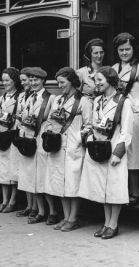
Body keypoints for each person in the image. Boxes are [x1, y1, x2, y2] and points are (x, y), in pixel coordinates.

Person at [78, 66, 133, 239]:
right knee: (102, 187)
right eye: (96, 80)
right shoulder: (98, 100)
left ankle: (113, 224)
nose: (97, 83)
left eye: (100, 80)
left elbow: (127, 131)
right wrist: (89, 141)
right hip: (99, 149)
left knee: (114, 188)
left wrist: (118, 153)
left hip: (114, 149)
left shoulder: (124, 102)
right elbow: (93, 125)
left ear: (110, 80)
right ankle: (106, 222)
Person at [43, 67, 93, 231]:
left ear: (72, 81)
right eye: (58, 82)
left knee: (73, 183)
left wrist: (78, 139)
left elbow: (89, 125)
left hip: (73, 147)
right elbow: (50, 120)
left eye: (62, 82)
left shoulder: (84, 101)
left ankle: (73, 218)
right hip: (57, 145)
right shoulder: (57, 100)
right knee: (60, 183)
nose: (59, 85)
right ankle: (66, 217)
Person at [112, 33, 139, 204]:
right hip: (118, 116)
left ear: (133, 49)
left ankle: (135, 190)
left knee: (133, 155)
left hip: (135, 117)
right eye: (121, 49)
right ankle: (123, 190)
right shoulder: (114, 68)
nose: (124, 52)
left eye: (127, 49)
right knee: (121, 152)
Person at [16, 67, 57, 225]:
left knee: (43, 178)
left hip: (41, 141)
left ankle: (52, 212)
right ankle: (40, 211)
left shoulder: (50, 98)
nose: (33, 83)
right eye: (31, 80)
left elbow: (52, 120)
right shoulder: (28, 97)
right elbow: (23, 117)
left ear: (43, 81)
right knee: (32, 178)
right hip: (28, 140)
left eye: (36, 80)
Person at [0, 67, 24, 213]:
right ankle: (4, 200)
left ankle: (12, 200)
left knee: (12, 170)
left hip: (12, 136)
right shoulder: (2, 97)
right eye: (3, 80)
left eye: (8, 80)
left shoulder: (20, 96)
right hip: (1, 135)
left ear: (14, 81)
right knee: (2, 170)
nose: (5, 83)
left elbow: (20, 117)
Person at [16, 67, 38, 218]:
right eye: (23, 80)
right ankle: (29, 205)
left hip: (33, 136)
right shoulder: (23, 96)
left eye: (28, 80)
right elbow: (19, 114)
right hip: (23, 134)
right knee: (25, 173)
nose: (25, 83)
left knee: (33, 173)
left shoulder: (38, 97)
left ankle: (35, 206)